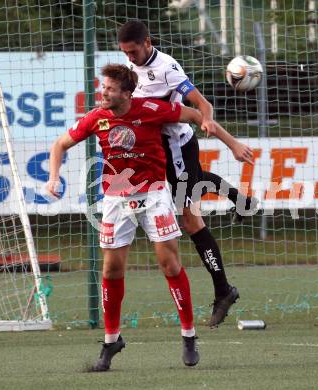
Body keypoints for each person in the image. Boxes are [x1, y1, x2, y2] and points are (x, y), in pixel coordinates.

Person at [47, 64, 206, 370]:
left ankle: (188, 335)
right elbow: (60, 144)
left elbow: (194, 116)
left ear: (126, 93)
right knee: (111, 270)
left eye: (109, 88)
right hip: (116, 199)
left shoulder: (152, 109)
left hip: (154, 194)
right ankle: (111, 341)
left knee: (169, 264)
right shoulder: (97, 117)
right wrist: (53, 178)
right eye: (102, 87)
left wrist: (207, 120)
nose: (102, 92)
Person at [118, 20, 257, 328]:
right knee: (193, 187)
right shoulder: (128, 69)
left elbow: (200, 105)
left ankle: (224, 290)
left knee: (190, 219)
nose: (130, 57)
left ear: (147, 42)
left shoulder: (167, 67)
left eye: (133, 51)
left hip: (176, 148)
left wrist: (218, 130)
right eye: (125, 52)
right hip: (151, 150)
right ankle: (241, 200)